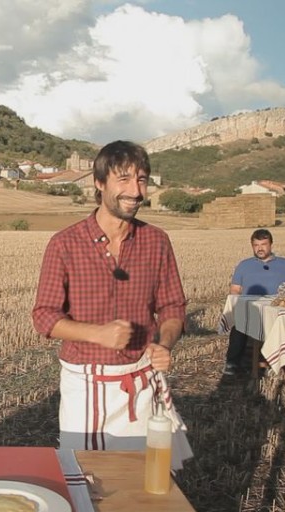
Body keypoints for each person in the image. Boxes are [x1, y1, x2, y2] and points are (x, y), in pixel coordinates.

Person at [32, 140, 192, 469]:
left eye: (142, 179)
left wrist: (165, 343)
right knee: (85, 476)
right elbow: (44, 318)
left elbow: (173, 305)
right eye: (124, 179)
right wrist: (98, 334)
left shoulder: (157, 241)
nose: (135, 191)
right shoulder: (64, 244)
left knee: (141, 477)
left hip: (142, 381)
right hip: (85, 384)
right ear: (99, 183)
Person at [223, 228, 285, 375]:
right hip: (252, 309)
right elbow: (235, 290)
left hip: (277, 309)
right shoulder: (244, 265)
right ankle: (232, 362)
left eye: (263, 244)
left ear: (271, 245)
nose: (260, 248)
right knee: (239, 322)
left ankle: (276, 362)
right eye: (256, 245)